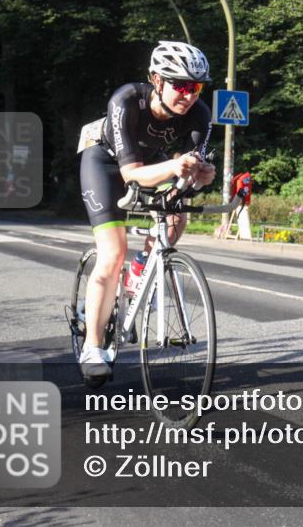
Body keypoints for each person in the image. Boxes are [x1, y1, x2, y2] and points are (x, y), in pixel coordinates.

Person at [77, 41, 216, 384]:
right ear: (156, 80)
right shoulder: (127, 100)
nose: (189, 95)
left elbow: (185, 176)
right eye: (181, 86)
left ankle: (141, 272)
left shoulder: (199, 114)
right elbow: (130, 175)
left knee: (176, 216)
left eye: (195, 87)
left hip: (151, 162)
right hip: (106, 163)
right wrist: (174, 166)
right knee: (112, 253)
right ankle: (93, 347)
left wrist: (200, 178)